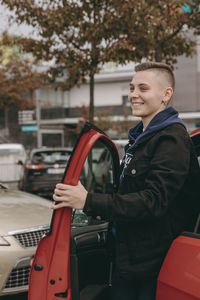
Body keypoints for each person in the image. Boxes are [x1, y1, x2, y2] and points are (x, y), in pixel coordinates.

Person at [52, 62, 200, 300]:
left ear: (166, 94)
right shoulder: (142, 138)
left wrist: (88, 201)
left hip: (152, 267)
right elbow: (128, 192)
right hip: (130, 261)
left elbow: (153, 201)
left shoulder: (171, 140)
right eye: (131, 88)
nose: (133, 95)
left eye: (143, 88)